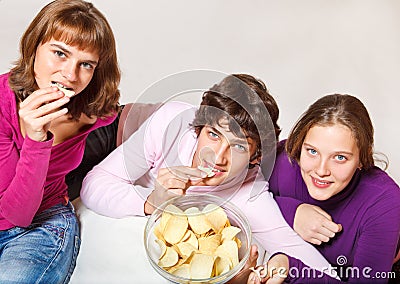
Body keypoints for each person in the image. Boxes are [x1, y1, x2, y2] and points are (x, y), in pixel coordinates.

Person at [81, 74, 339, 282]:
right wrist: (151, 202)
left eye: (238, 147)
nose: (217, 157)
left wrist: (282, 263)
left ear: (255, 157)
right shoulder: (167, 125)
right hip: (110, 128)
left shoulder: (250, 193)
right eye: (213, 135)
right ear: (199, 128)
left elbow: (312, 264)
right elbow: (94, 184)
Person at [0, 0, 120, 282]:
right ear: (34, 48)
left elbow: (20, 216)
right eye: (59, 53)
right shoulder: (2, 104)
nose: (70, 75)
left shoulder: (94, 112)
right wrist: (34, 136)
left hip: (44, 224)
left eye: (86, 64)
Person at [254, 94, 400, 283]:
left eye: (340, 157)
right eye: (312, 151)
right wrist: (292, 211)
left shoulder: (384, 203)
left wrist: (289, 267)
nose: (321, 171)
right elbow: (239, 197)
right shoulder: (281, 160)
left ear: (362, 159)